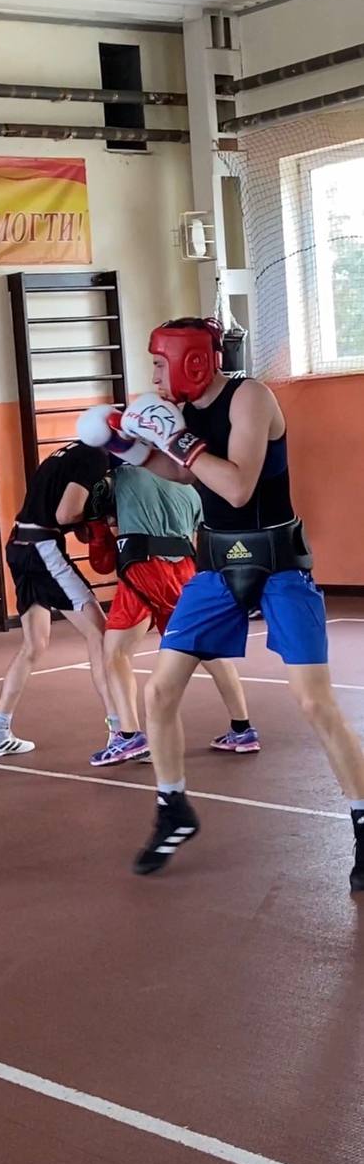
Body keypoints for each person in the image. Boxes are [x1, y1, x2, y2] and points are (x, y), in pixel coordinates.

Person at [82, 317, 364, 892]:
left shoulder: (250, 397)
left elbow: (236, 486)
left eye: (159, 364)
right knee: (160, 692)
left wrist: (178, 439)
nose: (154, 376)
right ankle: (173, 808)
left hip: (278, 564)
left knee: (314, 702)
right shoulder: (185, 412)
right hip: (214, 566)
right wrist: (128, 448)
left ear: (190, 360)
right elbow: (188, 477)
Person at [79, 458, 259, 766]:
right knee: (208, 650)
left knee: (116, 653)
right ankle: (242, 729)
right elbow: (197, 538)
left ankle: (129, 736)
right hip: (186, 569)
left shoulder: (122, 475)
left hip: (144, 566)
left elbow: (93, 500)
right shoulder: (190, 487)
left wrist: (97, 521)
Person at [0, 436, 123, 759]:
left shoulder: (69, 451)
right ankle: (120, 732)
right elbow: (66, 514)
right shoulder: (95, 458)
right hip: (43, 549)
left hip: (20, 545)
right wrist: (97, 517)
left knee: (35, 644)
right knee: (100, 634)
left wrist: (88, 522)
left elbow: (63, 513)